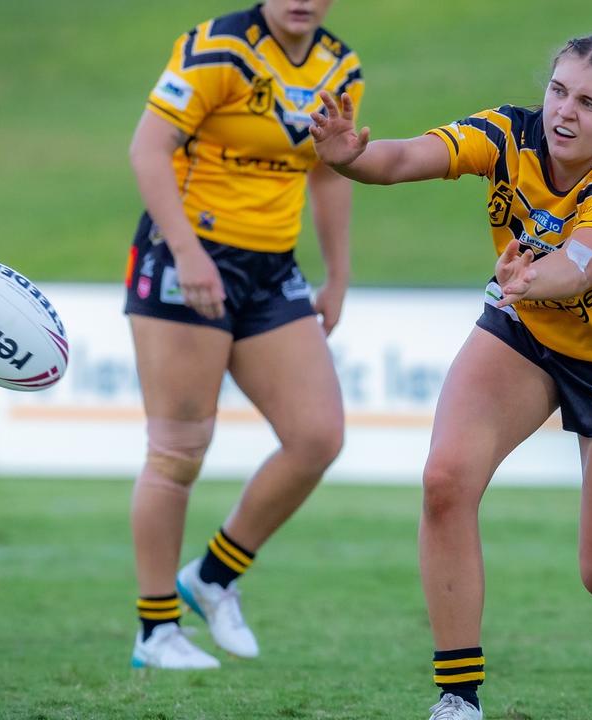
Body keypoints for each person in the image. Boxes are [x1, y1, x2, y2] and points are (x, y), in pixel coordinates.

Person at [310, 35, 592, 719]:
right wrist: (352, 158)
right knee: (444, 482)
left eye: (588, 102)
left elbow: (581, 263)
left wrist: (531, 277)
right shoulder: (506, 134)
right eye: (558, 90)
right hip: (528, 330)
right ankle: (458, 697)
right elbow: (402, 158)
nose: (564, 112)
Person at [124, 0, 363, 670]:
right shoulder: (215, 48)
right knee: (177, 451)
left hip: (271, 270)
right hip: (184, 259)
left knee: (319, 436)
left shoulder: (338, 66)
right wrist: (187, 251)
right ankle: (155, 630)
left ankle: (214, 576)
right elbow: (148, 149)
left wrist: (338, 275)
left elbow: (327, 168)